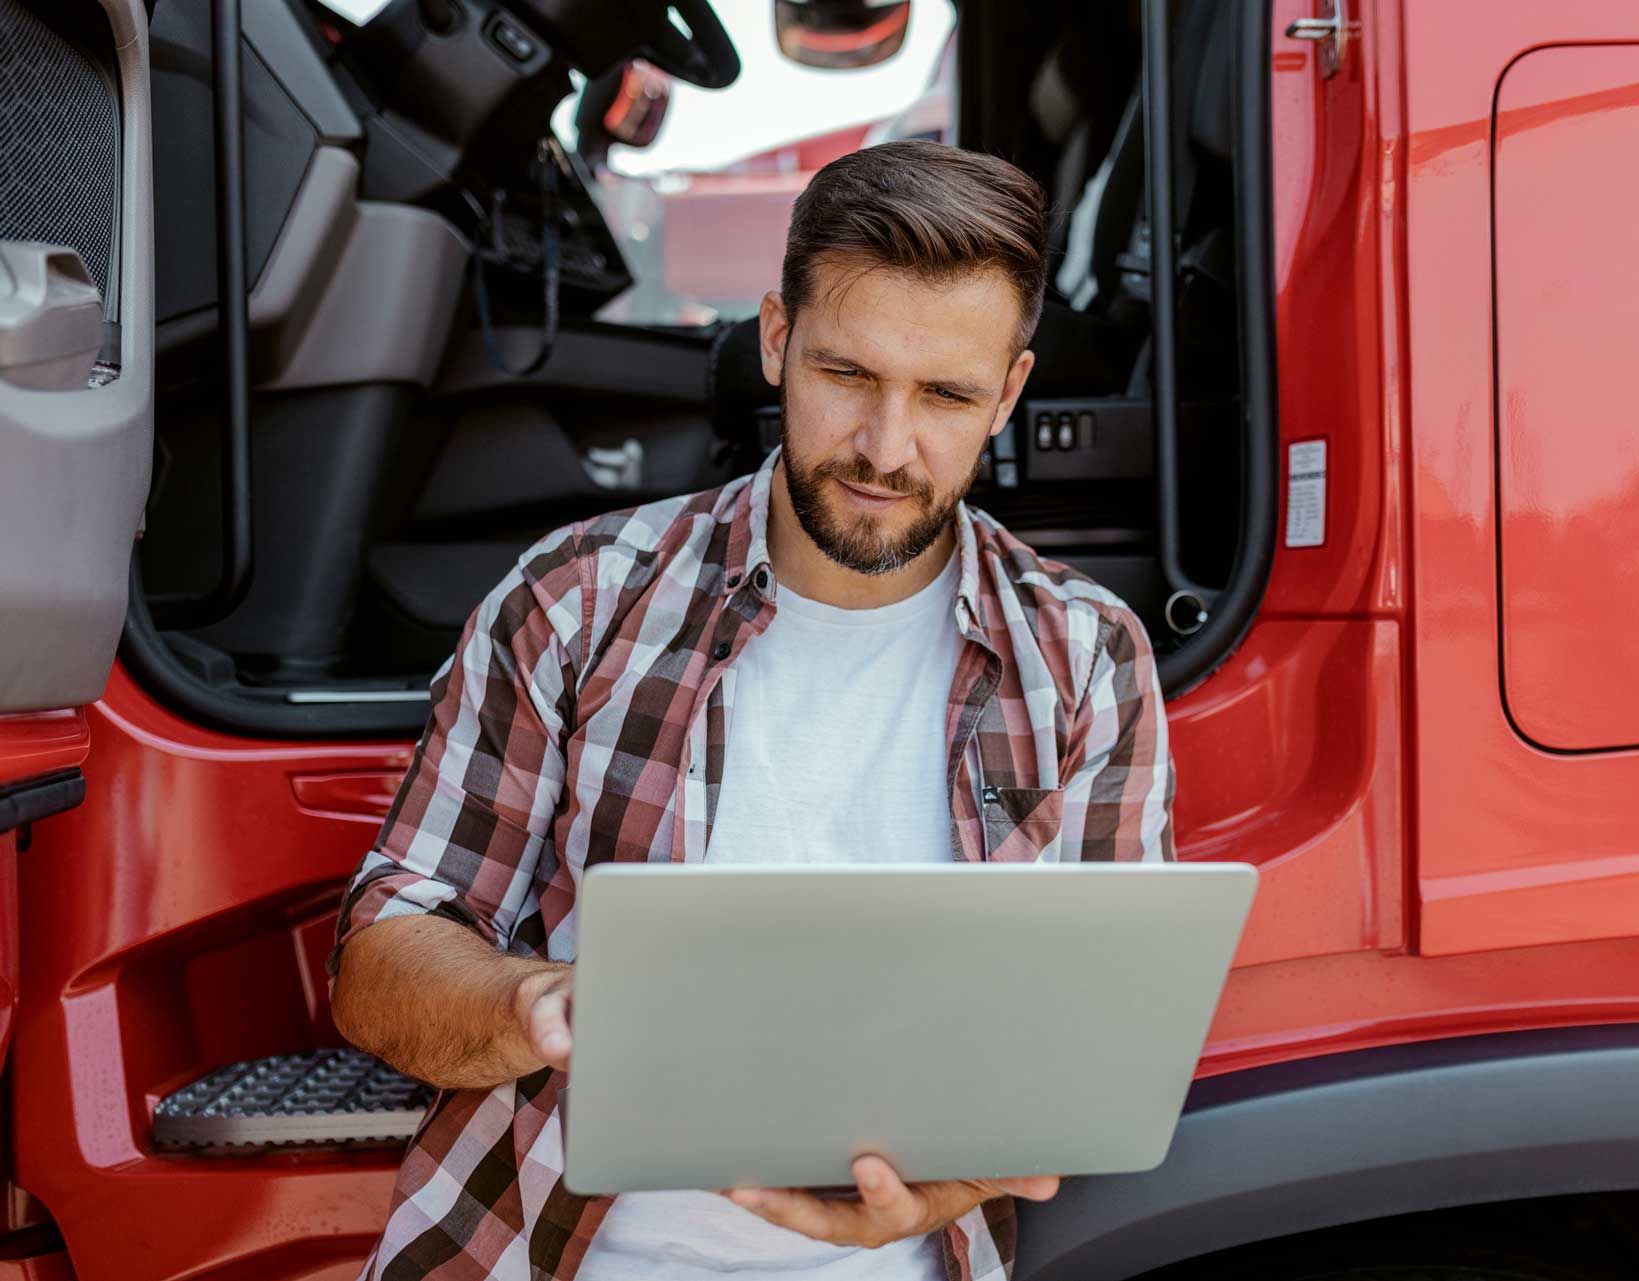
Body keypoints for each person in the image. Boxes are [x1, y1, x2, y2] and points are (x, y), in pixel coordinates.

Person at [328, 139, 1175, 1281]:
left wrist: (937, 1196)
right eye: (846, 375)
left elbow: (1094, 1045)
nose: (886, 447)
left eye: (946, 396)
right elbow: (380, 965)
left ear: (1010, 393)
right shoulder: (578, 600)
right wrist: (538, 1003)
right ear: (776, 340)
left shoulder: (1087, 656)